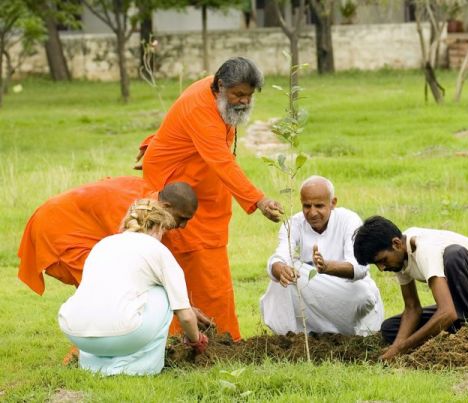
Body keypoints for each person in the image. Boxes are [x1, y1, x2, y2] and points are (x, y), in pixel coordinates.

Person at [137, 57, 283, 341]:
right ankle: (191, 338)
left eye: (248, 96)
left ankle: (219, 337)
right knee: (194, 263)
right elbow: (221, 161)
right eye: (238, 94)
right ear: (219, 86)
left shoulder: (216, 97)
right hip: (179, 190)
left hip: (206, 189)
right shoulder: (200, 107)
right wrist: (259, 200)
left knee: (212, 266)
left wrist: (152, 143)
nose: (243, 101)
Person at [58, 199, 211, 376]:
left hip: (76, 333)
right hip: (125, 336)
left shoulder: (102, 245)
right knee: (163, 292)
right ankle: (141, 368)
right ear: (158, 227)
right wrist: (196, 341)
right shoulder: (157, 249)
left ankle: (93, 367)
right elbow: (185, 316)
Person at [353, 216, 468, 361]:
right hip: (460, 305)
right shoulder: (400, 257)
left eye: (383, 260)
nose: (381, 268)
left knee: (453, 255)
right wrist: (396, 346)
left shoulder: (423, 249)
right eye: (377, 264)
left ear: (396, 244)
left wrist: (402, 349)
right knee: (390, 328)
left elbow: (448, 312)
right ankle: (456, 332)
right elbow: (412, 308)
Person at [18, 176, 197, 296]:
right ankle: (84, 349)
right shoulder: (133, 211)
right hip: (56, 228)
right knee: (104, 288)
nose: (183, 226)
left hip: (65, 219)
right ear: (165, 206)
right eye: (181, 218)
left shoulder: (148, 200)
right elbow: (134, 266)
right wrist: (180, 306)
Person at [260, 176, 383, 336]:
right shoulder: (294, 223)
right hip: (315, 293)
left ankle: (343, 334)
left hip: (347, 295)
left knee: (363, 294)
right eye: (306, 206)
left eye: (319, 206)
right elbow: (281, 256)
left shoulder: (349, 220)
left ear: (333, 203)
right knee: (284, 275)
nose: (312, 213)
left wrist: (327, 267)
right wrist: (279, 268)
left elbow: (360, 269)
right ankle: (291, 339)